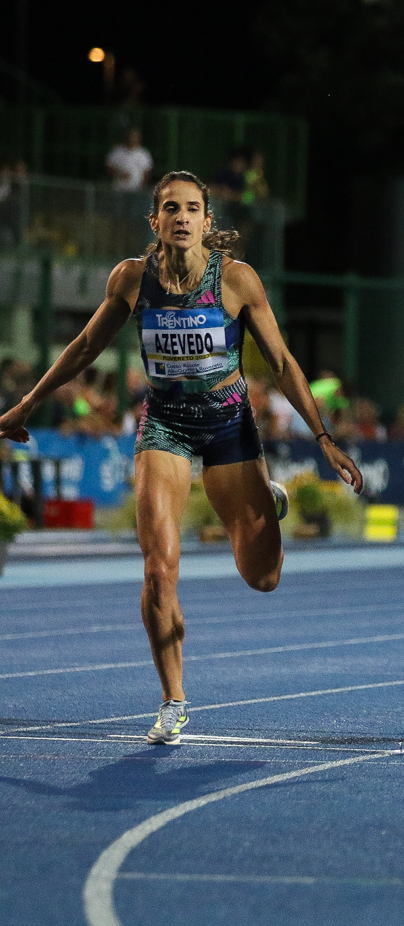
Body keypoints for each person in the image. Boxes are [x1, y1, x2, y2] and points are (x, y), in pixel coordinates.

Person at [0, 171, 363, 745]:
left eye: (193, 208)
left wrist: (322, 437)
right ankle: (173, 699)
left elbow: (281, 362)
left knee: (263, 577)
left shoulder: (237, 280)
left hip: (228, 426)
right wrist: (25, 404)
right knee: (158, 567)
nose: (182, 217)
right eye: (171, 207)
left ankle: (264, 497)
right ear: (155, 221)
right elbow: (86, 346)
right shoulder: (131, 279)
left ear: (207, 221)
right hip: (164, 424)